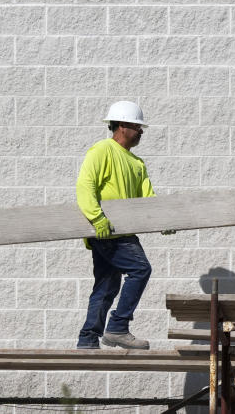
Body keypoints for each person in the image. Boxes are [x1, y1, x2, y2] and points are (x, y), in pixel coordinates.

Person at [75, 101, 173, 350]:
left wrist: (165, 220)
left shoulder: (137, 164)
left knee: (106, 286)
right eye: (137, 127)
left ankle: (88, 339)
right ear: (121, 125)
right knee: (141, 269)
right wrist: (97, 219)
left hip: (115, 232)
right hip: (109, 231)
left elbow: (147, 201)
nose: (141, 132)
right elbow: (85, 187)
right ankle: (118, 326)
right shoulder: (102, 151)